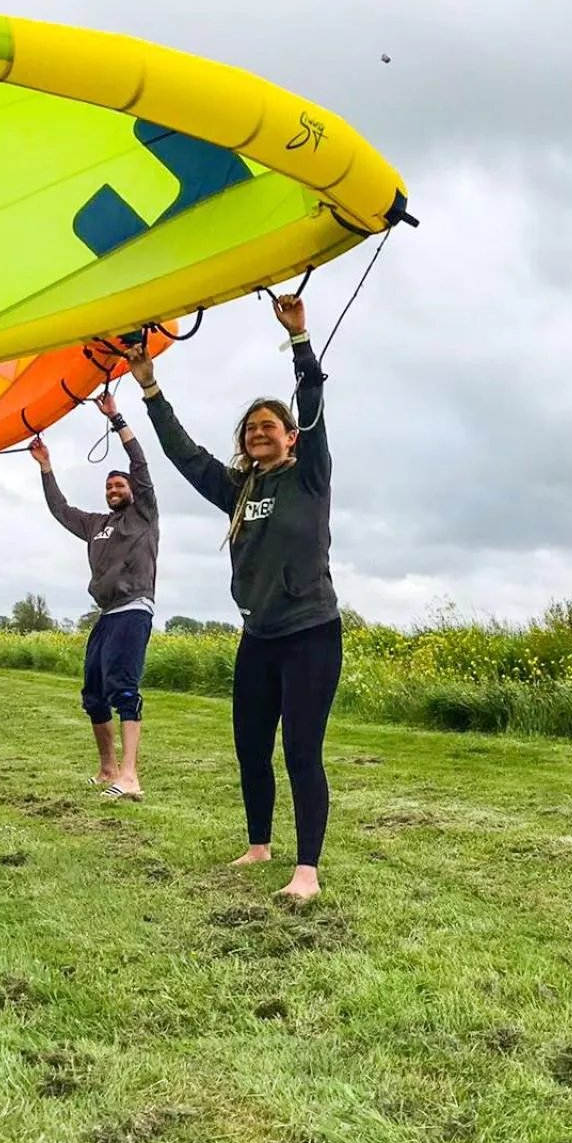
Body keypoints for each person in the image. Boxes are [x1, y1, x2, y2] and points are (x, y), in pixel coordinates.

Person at [126, 293, 339, 900]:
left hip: (311, 634)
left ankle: (307, 870)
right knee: (251, 746)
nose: (258, 433)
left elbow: (316, 408)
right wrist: (149, 386)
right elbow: (183, 453)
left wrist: (299, 339)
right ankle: (258, 845)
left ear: (291, 438)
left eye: (269, 426)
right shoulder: (237, 489)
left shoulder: (309, 476)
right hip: (259, 638)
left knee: (300, 749)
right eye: (251, 429)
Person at [28, 388, 159, 801]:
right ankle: (107, 770)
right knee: (93, 694)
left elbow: (140, 463)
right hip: (106, 616)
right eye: (110, 485)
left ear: (133, 490)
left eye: (120, 484)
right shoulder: (96, 524)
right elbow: (60, 509)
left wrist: (116, 418)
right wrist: (46, 466)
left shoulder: (143, 514)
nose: (115, 488)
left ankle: (130, 776)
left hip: (133, 610)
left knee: (123, 689)